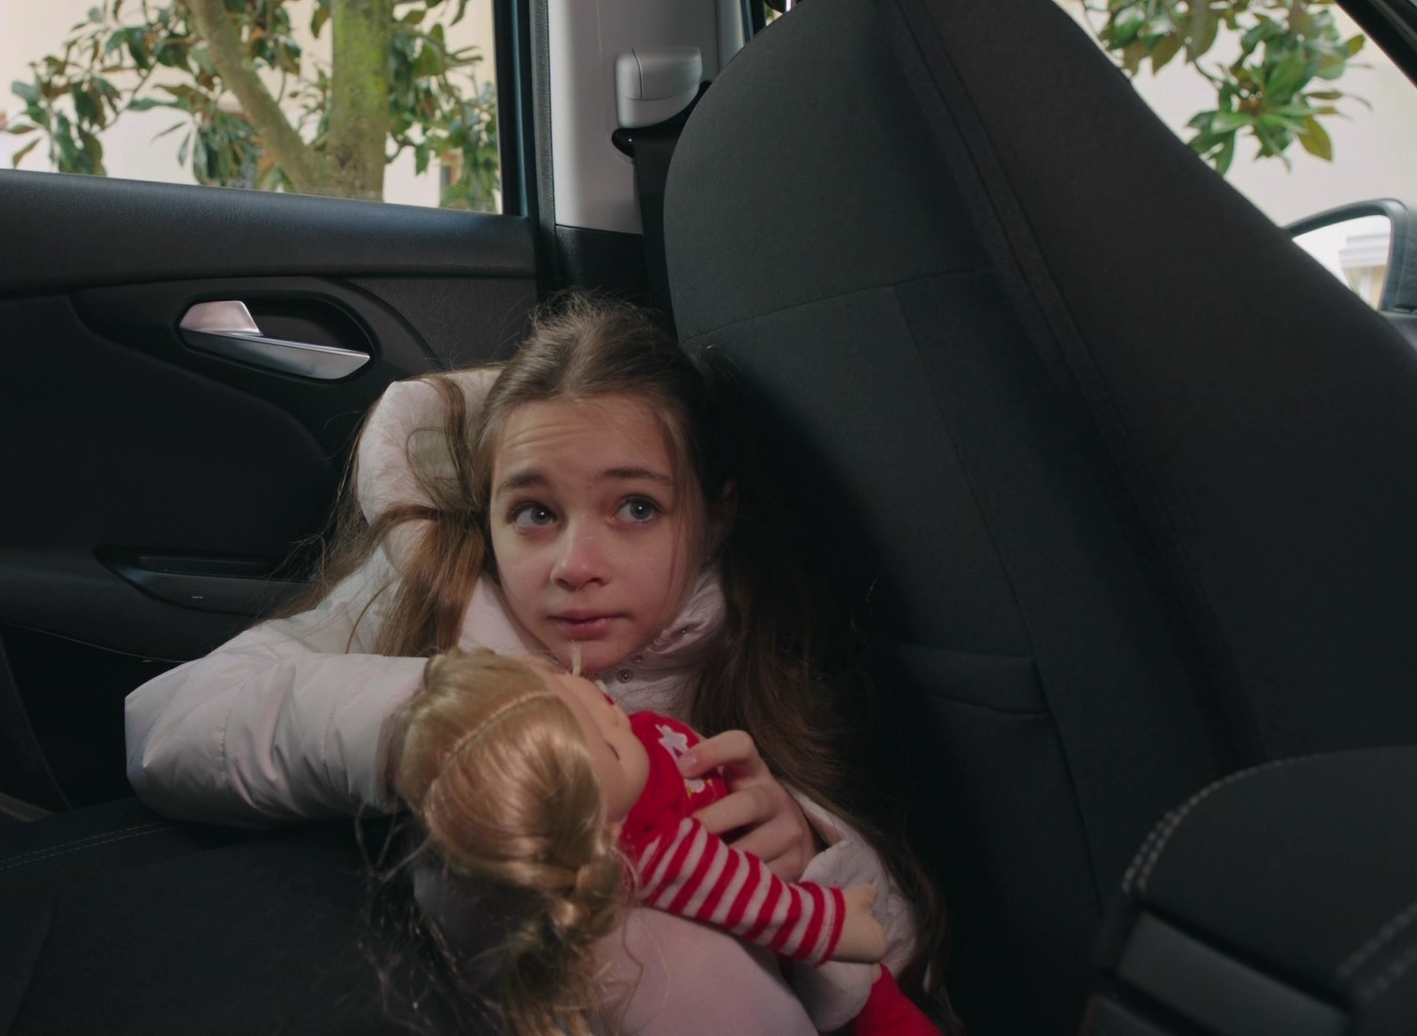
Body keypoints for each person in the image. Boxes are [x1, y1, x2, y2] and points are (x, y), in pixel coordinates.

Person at [126, 295, 952, 1033]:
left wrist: (808, 851)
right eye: (533, 513)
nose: (575, 565)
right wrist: (435, 719)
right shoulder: (438, 596)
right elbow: (171, 722)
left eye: (636, 508)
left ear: (713, 518)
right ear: (485, 514)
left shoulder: (755, 650)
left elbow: (901, 952)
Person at [392, 649, 944, 1036]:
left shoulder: (759, 678)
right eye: (608, 747)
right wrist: (833, 921)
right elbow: (751, 900)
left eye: (577, 687)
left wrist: (810, 840)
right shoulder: (657, 849)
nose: (609, 711)